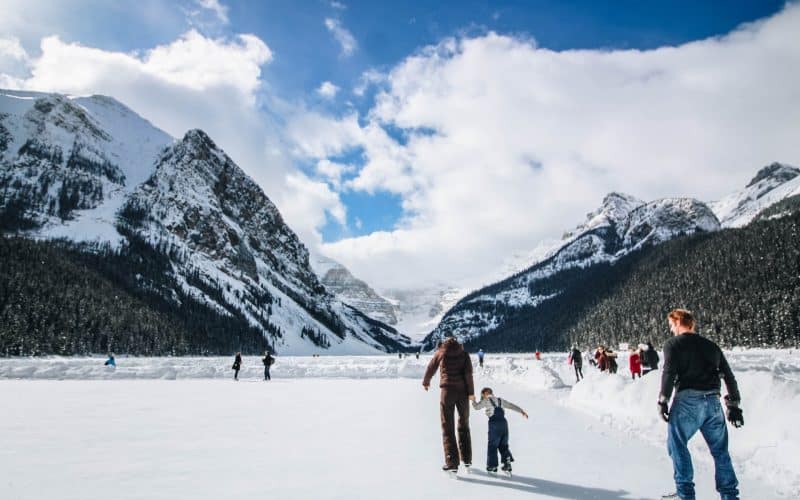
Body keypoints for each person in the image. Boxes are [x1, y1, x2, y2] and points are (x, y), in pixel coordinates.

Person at [658, 309, 743, 500]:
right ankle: (730, 495)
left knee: (677, 445)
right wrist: (733, 405)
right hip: (713, 403)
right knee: (720, 452)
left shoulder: (673, 344)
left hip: (688, 401)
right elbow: (729, 376)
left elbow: (669, 372)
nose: (671, 329)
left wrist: (663, 400)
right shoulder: (711, 346)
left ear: (678, 321)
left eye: (671, 324)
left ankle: (685, 493)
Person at [422, 333, 475, 473]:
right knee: (464, 423)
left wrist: (426, 382)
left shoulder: (441, 351)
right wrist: (471, 393)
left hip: (447, 392)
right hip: (463, 393)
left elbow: (431, 367)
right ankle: (467, 459)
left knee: (447, 426)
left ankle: (452, 462)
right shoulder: (464, 354)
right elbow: (468, 374)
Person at [472, 387, 528, 473]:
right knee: (503, 444)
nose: (482, 396)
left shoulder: (486, 400)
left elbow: (476, 407)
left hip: (494, 424)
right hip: (504, 424)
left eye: (482, 394)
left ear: (485, 393)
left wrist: (473, 400)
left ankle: (492, 466)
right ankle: (507, 462)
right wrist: (521, 411)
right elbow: (511, 405)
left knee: (492, 445)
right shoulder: (500, 400)